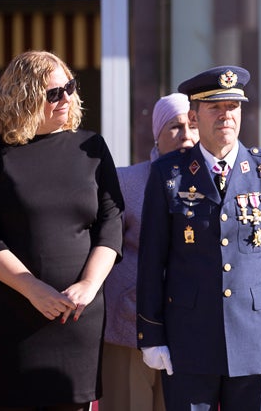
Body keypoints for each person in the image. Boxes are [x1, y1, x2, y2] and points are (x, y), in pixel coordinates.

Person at [136, 65, 261, 410]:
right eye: (215, 108)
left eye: (233, 107)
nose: (226, 116)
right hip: (189, 337)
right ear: (194, 117)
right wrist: (151, 334)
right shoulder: (170, 174)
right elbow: (152, 261)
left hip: (253, 336)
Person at [0, 50, 123, 410]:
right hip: (13, 316)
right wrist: (33, 289)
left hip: (77, 318)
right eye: (53, 93)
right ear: (24, 96)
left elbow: (112, 222)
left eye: (69, 87)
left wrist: (88, 286)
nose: (67, 98)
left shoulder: (91, 147)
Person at [101, 93, 198, 411]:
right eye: (174, 126)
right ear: (157, 134)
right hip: (130, 325)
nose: (185, 135)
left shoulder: (214, 181)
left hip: (189, 328)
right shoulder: (127, 181)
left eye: (192, 125)